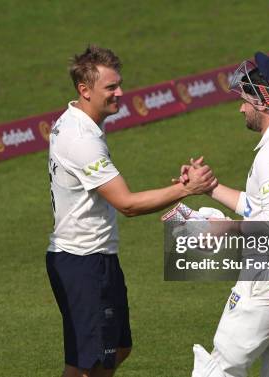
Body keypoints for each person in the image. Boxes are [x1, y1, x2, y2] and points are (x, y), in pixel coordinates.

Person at [46, 45, 218, 377]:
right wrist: (187, 189)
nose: (120, 93)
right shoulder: (80, 138)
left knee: (116, 350)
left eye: (119, 84)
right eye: (111, 87)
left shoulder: (78, 122)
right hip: (84, 261)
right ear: (85, 90)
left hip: (95, 257)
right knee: (91, 364)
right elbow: (127, 204)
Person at [187, 52, 269, 377]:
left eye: (246, 96)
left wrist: (222, 229)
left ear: (266, 99)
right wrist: (212, 188)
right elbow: (263, 206)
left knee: (219, 368)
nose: (241, 106)